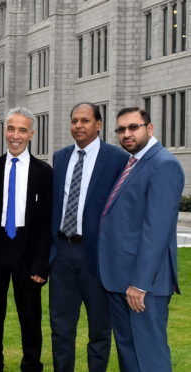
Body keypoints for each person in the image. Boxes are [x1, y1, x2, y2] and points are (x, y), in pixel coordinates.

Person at [99, 107, 183, 372]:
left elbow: (156, 231)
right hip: (122, 281)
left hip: (144, 286)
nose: (126, 134)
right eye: (121, 129)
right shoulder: (134, 162)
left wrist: (140, 283)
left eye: (133, 127)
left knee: (150, 358)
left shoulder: (163, 164)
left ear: (150, 128)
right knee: (130, 355)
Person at [0, 107, 52, 372]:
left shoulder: (43, 172)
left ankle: (31, 365)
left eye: (22, 130)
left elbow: (48, 223)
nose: (15, 135)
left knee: (30, 316)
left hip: (26, 250)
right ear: (5, 131)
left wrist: (41, 265)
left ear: (31, 134)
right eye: (11, 128)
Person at [49, 102, 129, 371]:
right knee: (61, 328)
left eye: (85, 121)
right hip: (62, 253)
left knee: (99, 329)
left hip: (96, 256)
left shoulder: (117, 159)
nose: (78, 126)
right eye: (74, 121)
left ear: (98, 124)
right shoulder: (60, 157)